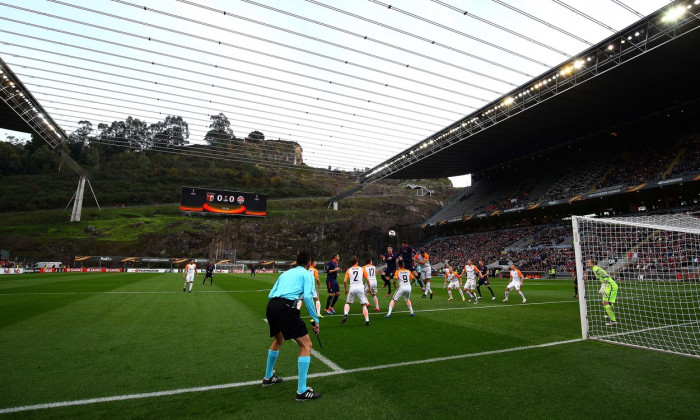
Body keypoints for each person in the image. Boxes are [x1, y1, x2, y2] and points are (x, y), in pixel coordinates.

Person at [263, 251, 321, 401]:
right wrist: (315, 319)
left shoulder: (285, 273)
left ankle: (268, 377)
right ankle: (302, 391)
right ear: (309, 263)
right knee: (306, 345)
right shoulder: (308, 274)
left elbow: (271, 294)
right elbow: (308, 297)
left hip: (272, 305)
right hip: (286, 307)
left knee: (278, 339)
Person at [341, 256, 372, 326]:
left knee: (347, 303)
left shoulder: (349, 270)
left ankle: (346, 314)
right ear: (357, 262)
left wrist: (346, 290)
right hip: (361, 288)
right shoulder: (361, 269)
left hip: (352, 288)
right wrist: (369, 288)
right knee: (364, 305)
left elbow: (345, 281)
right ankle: (367, 321)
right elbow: (367, 279)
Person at [587, 260, 618, 325]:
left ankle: (613, 321)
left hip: (610, 286)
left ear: (592, 263)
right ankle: (611, 316)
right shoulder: (594, 269)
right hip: (609, 286)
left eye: (588, 262)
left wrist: (603, 285)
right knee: (608, 303)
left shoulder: (596, 269)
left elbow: (606, 276)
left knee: (605, 302)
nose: (587, 263)